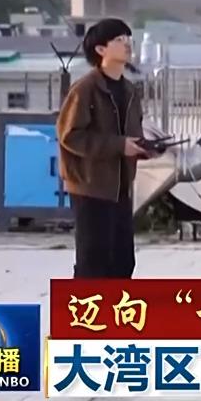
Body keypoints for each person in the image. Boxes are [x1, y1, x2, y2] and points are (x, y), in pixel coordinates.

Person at [56, 18, 155, 279]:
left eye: (128, 39)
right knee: (93, 262)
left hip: (120, 187)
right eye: (119, 40)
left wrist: (144, 147)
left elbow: (132, 131)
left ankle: (116, 306)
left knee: (123, 262)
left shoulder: (129, 90)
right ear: (101, 50)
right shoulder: (85, 90)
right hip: (91, 187)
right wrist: (119, 146)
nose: (127, 45)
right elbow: (70, 135)